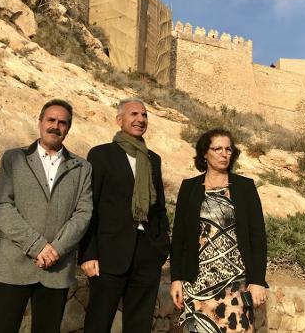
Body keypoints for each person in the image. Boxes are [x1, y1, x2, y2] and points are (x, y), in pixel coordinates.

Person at [0, 99, 93, 333]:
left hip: (57, 268)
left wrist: (56, 249)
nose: (56, 126)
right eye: (51, 120)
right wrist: (37, 246)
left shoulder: (82, 168)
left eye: (63, 122)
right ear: (40, 122)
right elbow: (3, 207)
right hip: (13, 266)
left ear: (68, 128)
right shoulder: (14, 158)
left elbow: (83, 214)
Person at [79, 98, 170, 333]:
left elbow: (159, 208)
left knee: (139, 325)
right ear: (120, 120)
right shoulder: (101, 155)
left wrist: (160, 248)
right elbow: (91, 205)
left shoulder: (153, 159)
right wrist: (88, 253)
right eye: (134, 114)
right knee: (98, 322)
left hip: (147, 253)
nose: (140, 119)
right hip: (110, 253)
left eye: (145, 115)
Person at [170, 128, 268, 332]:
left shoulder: (245, 187)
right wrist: (176, 278)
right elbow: (179, 237)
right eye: (217, 149)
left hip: (236, 284)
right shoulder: (189, 187)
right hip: (197, 283)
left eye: (228, 149)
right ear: (205, 153)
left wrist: (257, 280)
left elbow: (258, 236)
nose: (224, 154)